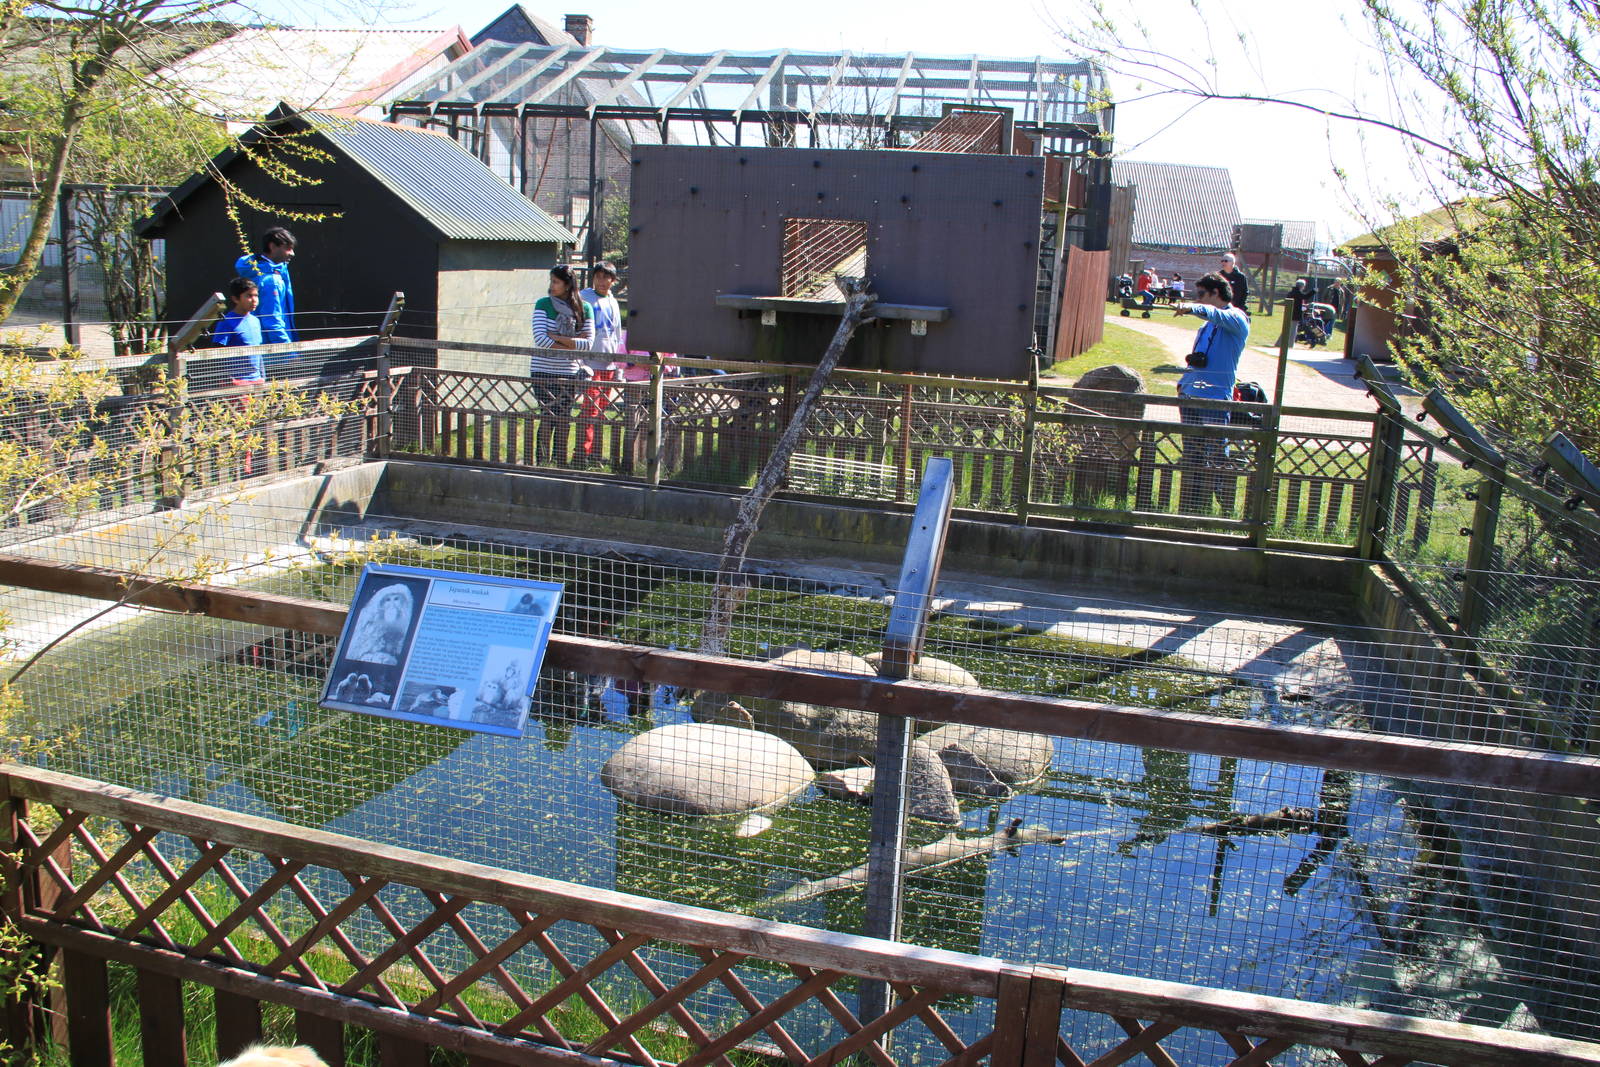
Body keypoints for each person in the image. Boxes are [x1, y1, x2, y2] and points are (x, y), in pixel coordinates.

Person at [1172, 273, 1250, 515]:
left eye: (1202, 295)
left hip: (1215, 397)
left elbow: (1217, 314)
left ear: (1216, 293)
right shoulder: (1206, 325)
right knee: (1193, 454)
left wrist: (1192, 307)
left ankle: (1224, 512)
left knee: (1216, 454)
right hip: (1191, 395)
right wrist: (1184, 383)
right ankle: (1194, 507)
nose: (1199, 299)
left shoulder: (1237, 319)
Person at [530, 265, 597, 444]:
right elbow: (541, 340)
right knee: (547, 415)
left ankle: (559, 461)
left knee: (563, 417)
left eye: (556, 282)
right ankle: (542, 459)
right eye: (551, 281)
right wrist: (573, 342)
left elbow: (588, 344)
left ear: (567, 285)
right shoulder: (543, 304)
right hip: (542, 370)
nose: (552, 286)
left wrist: (557, 338)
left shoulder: (585, 308)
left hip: (569, 371)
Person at [234, 227, 297, 344]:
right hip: (273, 351)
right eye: (288, 248)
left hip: (259, 343)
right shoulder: (272, 280)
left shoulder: (263, 271)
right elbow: (272, 320)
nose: (292, 253)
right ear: (272, 246)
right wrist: (289, 353)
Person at [213, 277, 265, 385]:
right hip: (237, 384)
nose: (254, 300)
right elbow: (217, 355)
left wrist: (263, 377)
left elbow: (259, 352)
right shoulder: (226, 322)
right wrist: (229, 381)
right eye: (249, 296)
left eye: (256, 295)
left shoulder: (256, 321)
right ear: (236, 299)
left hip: (257, 382)